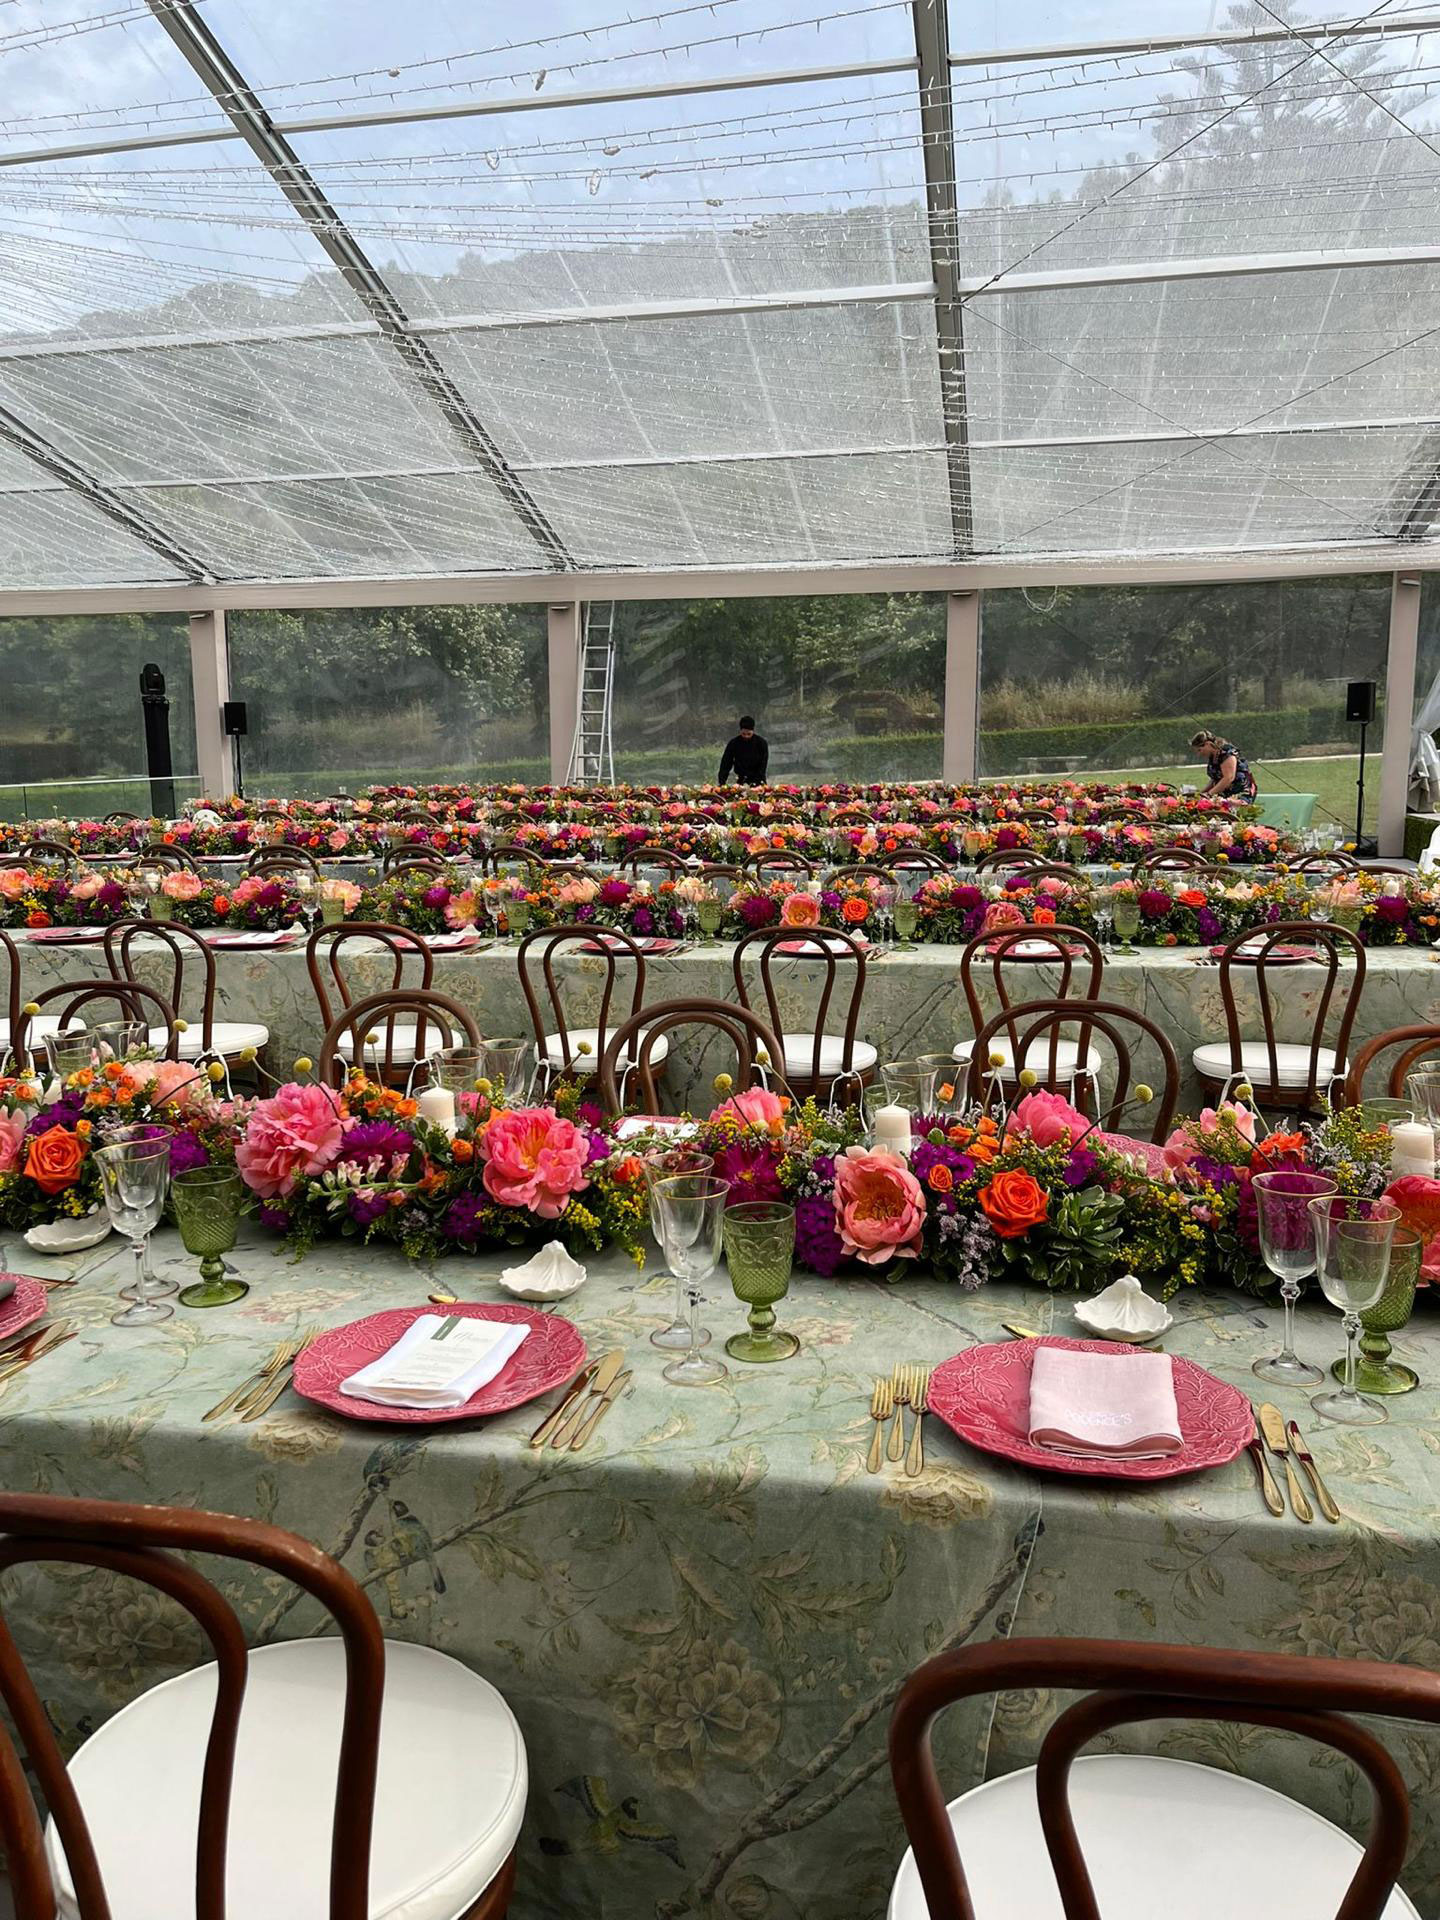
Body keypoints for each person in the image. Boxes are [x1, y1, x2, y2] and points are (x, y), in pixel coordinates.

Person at [1190, 729, 1258, 801]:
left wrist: (1209, 794)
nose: (1199, 754)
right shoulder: (1213, 757)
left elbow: (1228, 778)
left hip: (1240, 793)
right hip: (1224, 793)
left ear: (1208, 744)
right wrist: (1201, 793)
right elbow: (1215, 779)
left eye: (1199, 750)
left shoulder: (1227, 753)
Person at [718, 714, 769, 785]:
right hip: (741, 779)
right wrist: (722, 781)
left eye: (749, 734)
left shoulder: (761, 743)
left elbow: (763, 764)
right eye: (743, 734)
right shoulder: (734, 743)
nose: (746, 736)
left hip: (758, 779)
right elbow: (726, 763)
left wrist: (757, 781)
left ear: (753, 731)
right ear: (740, 731)